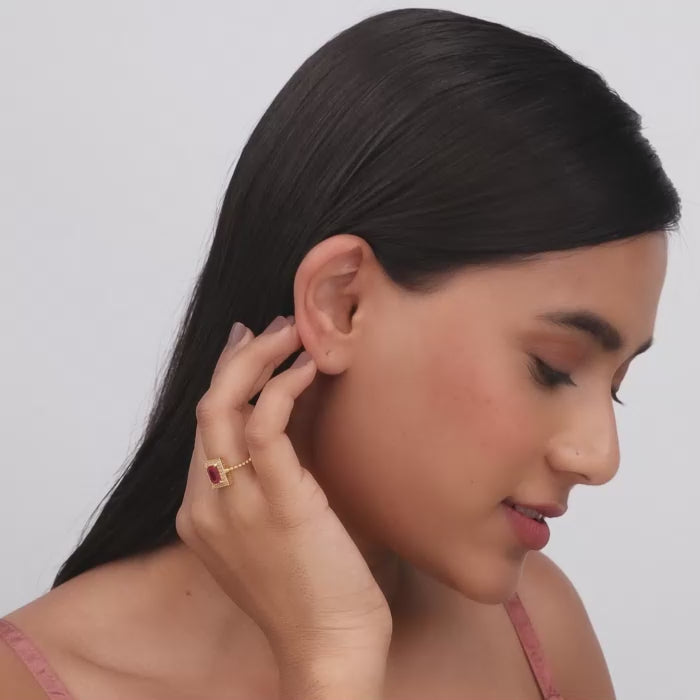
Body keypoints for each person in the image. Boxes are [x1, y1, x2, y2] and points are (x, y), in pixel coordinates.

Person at [0, 7, 680, 700]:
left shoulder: (537, 628)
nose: (601, 458)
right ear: (340, 303)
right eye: (553, 367)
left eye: (616, 385)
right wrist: (332, 653)